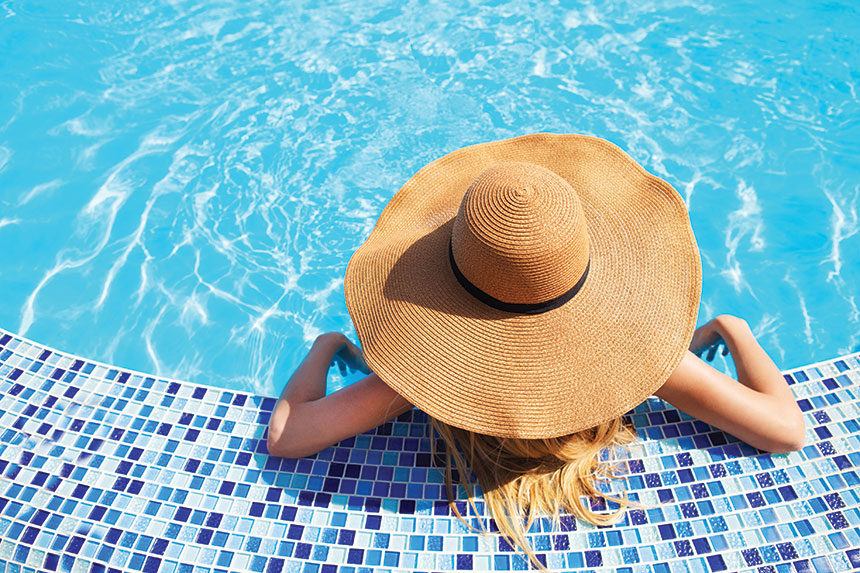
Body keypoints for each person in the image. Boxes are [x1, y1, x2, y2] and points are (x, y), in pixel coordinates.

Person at [266, 133, 806, 570]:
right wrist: (735, 330)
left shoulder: (428, 375)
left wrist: (325, 347)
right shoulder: (643, 360)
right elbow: (785, 431)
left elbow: (288, 438)